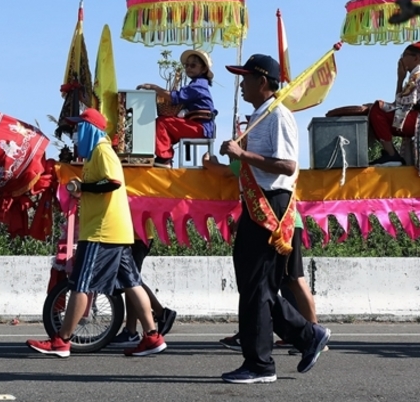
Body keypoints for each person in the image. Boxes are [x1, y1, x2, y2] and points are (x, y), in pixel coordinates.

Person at [203, 53, 330, 384]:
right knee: (253, 285)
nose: (241, 84)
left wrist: (242, 154)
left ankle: (260, 364)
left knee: (258, 286)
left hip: (271, 204)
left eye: (245, 78)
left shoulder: (278, 115)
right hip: (255, 203)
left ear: (262, 81)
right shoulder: (259, 116)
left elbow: (287, 166)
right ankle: (307, 336)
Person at [27, 108, 167, 358]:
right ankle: (152, 337)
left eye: (78, 128)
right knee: (132, 283)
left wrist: (84, 187)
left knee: (81, 284)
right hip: (115, 231)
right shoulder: (95, 155)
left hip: (101, 232)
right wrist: (84, 189)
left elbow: (111, 182)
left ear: (90, 129)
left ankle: (62, 341)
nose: (75, 134)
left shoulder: (102, 151)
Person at [329, 42, 420, 180]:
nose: (401, 59)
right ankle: (391, 154)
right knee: (376, 110)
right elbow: (401, 104)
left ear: (416, 58)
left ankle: (392, 154)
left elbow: (401, 103)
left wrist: (399, 79)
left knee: (377, 109)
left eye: (404, 55)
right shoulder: (419, 75)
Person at [137, 49, 217, 167]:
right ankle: (164, 156)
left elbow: (175, 97)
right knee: (168, 124)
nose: (188, 68)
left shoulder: (197, 85)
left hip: (200, 127)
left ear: (204, 69)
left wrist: (154, 88)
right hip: (201, 126)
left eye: (193, 65)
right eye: (187, 65)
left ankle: (164, 158)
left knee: (162, 122)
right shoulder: (198, 84)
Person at [107, 238, 178, 348]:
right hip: (133, 238)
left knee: (130, 280)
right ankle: (157, 315)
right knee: (129, 280)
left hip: (136, 238)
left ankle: (133, 330)